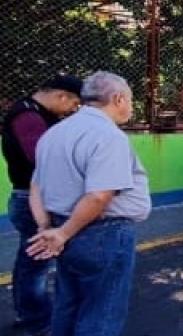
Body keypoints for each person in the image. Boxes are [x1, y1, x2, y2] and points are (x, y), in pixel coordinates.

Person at [25, 71, 151, 336]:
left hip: (62, 229)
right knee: (102, 312)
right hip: (102, 235)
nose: (131, 106)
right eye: (130, 100)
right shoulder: (108, 136)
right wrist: (62, 233)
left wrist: (47, 228)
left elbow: (35, 186)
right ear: (117, 99)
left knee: (68, 303)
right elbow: (99, 196)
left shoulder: (53, 134)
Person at [2, 74, 82, 336]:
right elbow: (43, 158)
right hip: (31, 200)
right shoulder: (28, 116)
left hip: (33, 197)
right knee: (36, 263)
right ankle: (35, 322)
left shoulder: (38, 114)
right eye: (74, 104)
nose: (73, 110)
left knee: (32, 260)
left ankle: (28, 315)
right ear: (62, 96)